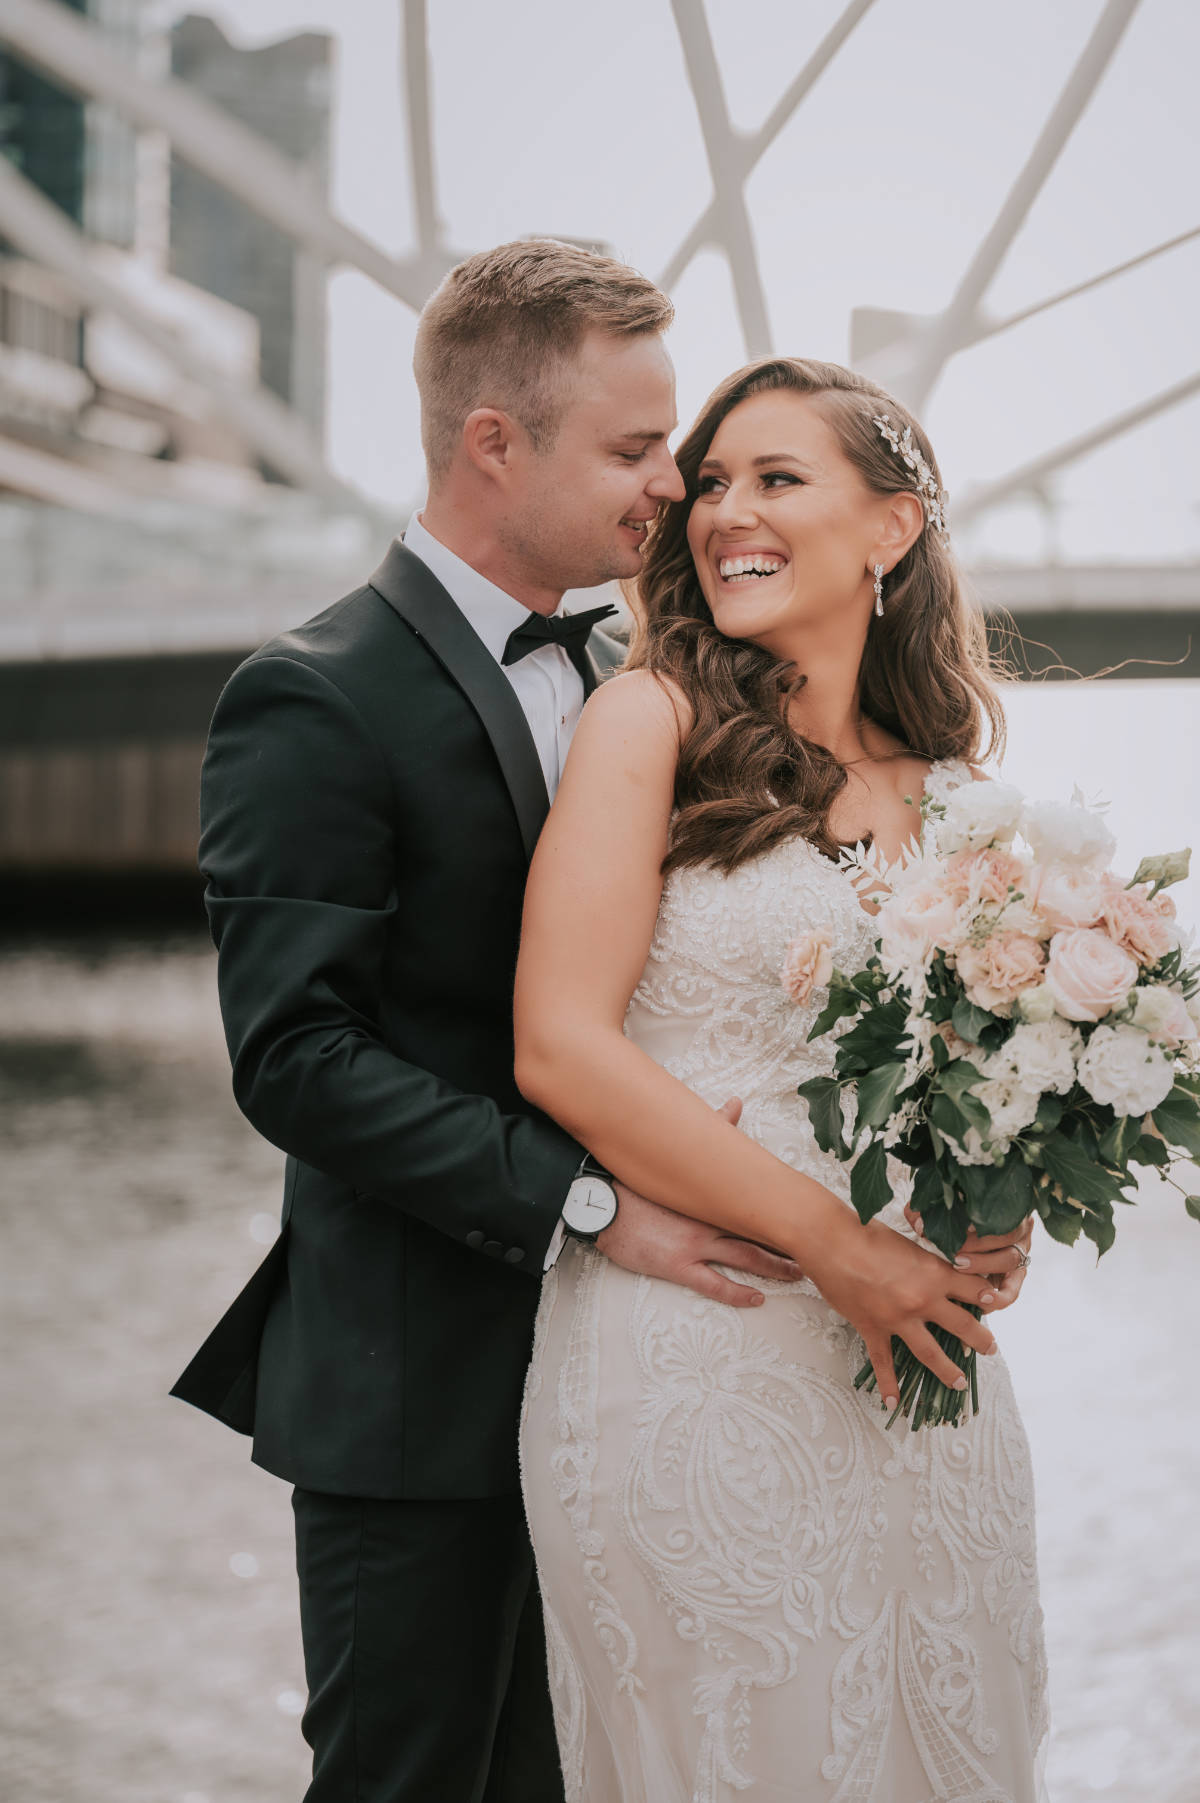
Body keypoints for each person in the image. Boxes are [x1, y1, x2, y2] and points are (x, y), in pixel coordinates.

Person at [170, 241, 820, 1803]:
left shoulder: (636, 676)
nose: (672, 485)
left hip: (630, 1384)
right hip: (415, 1394)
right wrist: (596, 1204)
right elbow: (299, 1061)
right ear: (492, 444)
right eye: (633, 448)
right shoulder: (311, 696)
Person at [516, 357, 1047, 1801]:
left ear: (892, 528)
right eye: (714, 482)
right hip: (707, 1340)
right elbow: (560, 1043)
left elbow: (990, 1081)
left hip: (924, 1368)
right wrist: (838, 1249)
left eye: (778, 479)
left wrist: (998, 1216)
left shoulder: (960, 792)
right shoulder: (650, 722)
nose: (723, 513)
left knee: (946, 1730)